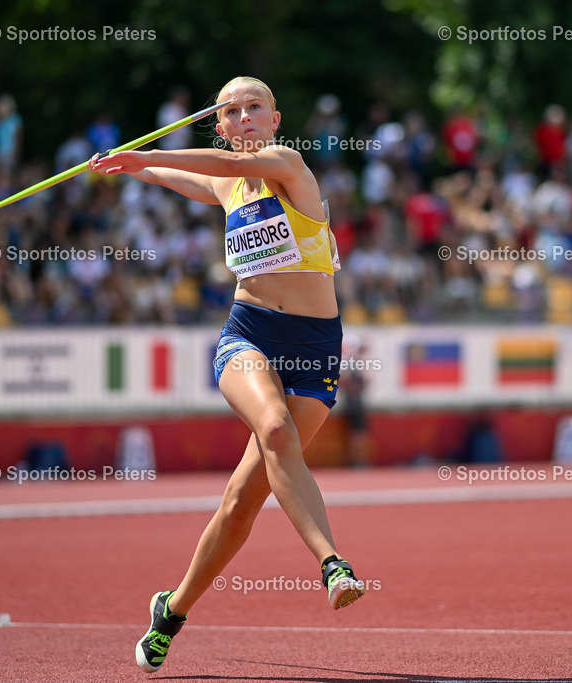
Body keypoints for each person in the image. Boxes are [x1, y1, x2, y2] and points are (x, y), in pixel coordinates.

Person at [89, 76, 366, 674]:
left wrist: (149, 154)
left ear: (274, 119)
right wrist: (133, 166)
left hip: (316, 346)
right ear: (218, 126)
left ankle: (171, 610)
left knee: (243, 500)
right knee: (275, 429)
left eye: (253, 108)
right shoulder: (226, 183)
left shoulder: (288, 165)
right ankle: (333, 565)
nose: (243, 118)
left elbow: (215, 163)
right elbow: (180, 177)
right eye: (231, 112)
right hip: (250, 333)